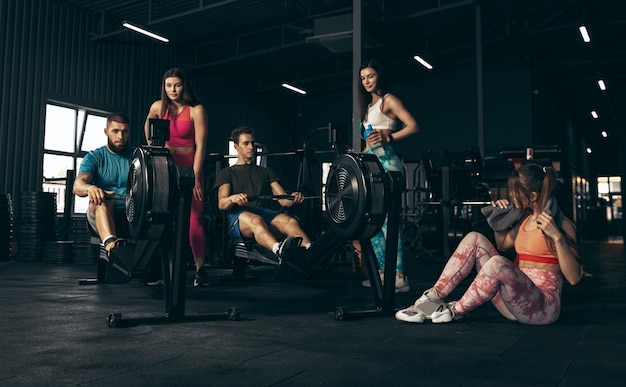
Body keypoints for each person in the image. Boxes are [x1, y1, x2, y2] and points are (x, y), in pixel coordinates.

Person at [395, 163, 583, 324]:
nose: (511, 196)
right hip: (513, 304)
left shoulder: (562, 224)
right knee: (474, 238)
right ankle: (431, 299)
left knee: (498, 263)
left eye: (515, 193)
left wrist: (557, 237)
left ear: (532, 196)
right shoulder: (524, 220)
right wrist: (499, 218)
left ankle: (456, 311)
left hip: (541, 309)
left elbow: (574, 278)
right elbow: (502, 246)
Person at [357, 59, 419, 293]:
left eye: (370, 76)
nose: (366, 82)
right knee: (371, 222)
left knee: (387, 224)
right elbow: (369, 144)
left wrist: (389, 137)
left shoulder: (388, 100)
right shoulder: (369, 107)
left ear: (379, 76)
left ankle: (399, 276)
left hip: (389, 166)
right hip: (372, 167)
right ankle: (385, 273)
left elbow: (413, 126)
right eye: (363, 78)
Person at [144, 68, 209, 287]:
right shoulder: (157, 107)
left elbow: (201, 146)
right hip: (165, 166)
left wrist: (197, 177)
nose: (173, 90)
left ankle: (200, 269)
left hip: (189, 166)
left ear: (184, 86)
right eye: (168, 85)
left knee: (194, 220)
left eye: (177, 85)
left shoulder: (196, 110)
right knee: (162, 217)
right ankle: (160, 269)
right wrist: (155, 147)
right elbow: (149, 127)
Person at [213, 126, 311, 262]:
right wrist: (232, 198)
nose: (251, 147)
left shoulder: (266, 172)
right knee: (256, 220)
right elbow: (222, 204)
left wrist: (294, 197)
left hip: (262, 214)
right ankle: (279, 251)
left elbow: (283, 200)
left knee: (290, 221)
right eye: (246, 143)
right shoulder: (227, 173)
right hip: (237, 217)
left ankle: (310, 254)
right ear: (236, 147)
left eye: (252, 143)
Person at [73, 113, 133, 256]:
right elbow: (78, 185)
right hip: (101, 211)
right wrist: (90, 188)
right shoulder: (94, 157)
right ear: (106, 132)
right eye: (115, 131)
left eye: (125, 132)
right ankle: (111, 246)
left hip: (131, 213)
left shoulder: (138, 157)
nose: (120, 136)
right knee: (103, 198)